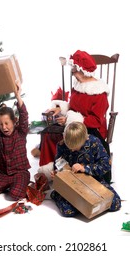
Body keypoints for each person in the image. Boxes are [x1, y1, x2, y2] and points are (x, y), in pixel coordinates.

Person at [32, 50, 111, 182]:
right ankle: (50, 171)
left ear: (83, 70)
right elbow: (74, 106)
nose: (72, 73)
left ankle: (65, 170)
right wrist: (60, 108)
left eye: (74, 69)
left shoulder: (99, 93)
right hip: (74, 123)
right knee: (47, 133)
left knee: (59, 136)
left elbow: (96, 120)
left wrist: (70, 119)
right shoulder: (78, 85)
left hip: (91, 128)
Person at [50, 122, 121, 217]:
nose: (72, 150)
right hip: (72, 183)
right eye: (70, 147)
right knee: (68, 211)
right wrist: (57, 173)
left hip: (94, 180)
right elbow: (58, 164)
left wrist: (85, 168)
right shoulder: (62, 145)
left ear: (85, 139)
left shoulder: (94, 142)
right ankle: (56, 195)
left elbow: (106, 165)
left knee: (115, 203)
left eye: (75, 148)